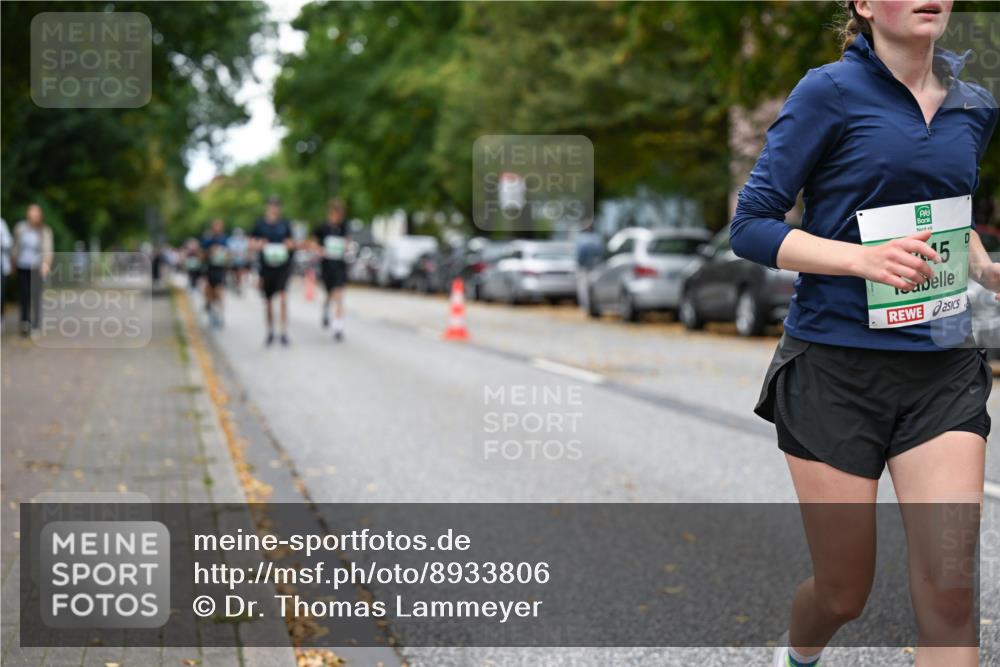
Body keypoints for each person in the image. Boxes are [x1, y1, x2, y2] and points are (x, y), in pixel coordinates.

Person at [730, 3, 999, 666]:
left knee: (950, 589)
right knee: (844, 592)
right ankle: (798, 653)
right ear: (865, 4)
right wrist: (860, 259)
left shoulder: (974, 104)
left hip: (941, 370)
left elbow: (941, 205)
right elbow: (752, 225)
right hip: (835, 371)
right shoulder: (829, 93)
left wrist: (987, 268)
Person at [250, 195, 295, 346]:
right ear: (267, 207)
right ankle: (270, 331)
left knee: (283, 298)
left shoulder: (285, 224)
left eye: (277, 206)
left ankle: (284, 332)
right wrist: (259, 244)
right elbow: (252, 243)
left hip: (282, 266)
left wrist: (289, 245)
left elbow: (291, 243)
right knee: (268, 301)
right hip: (266, 267)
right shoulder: (260, 224)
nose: (274, 208)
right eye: (272, 205)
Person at [12, 204, 53, 337]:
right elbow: (15, 247)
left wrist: (46, 264)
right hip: (22, 266)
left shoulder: (44, 231)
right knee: (24, 295)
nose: (34, 216)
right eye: (31, 213)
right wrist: (12, 263)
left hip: (37, 267)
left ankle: (36, 323)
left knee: (36, 295)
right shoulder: (20, 228)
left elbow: (48, 250)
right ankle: (25, 322)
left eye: (36, 213)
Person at [312, 198, 350, 341]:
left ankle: (338, 327)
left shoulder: (343, 227)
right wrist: (319, 250)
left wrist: (347, 246)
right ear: (331, 213)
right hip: (327, 266)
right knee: (329, 294)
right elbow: (313, 243)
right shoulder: (322, 228)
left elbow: (347, 242)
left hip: (339, 266)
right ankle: (326, 309)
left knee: (339, 295)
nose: (339, 217)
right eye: (337, 213)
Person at [201, 219, 229, 328]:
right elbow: (202, 256)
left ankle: (220, 314)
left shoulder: (224, 240)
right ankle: (212, 311)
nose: (217, 229)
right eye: (215, 227)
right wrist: (209, 251)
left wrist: (226, 255)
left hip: (221, 269)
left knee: (219, 291)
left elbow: (229, 255)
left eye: (219, 227)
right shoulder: (207, 241)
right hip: (210, 269)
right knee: (211, 293)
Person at [227, 226, 249, 295]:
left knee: (240, 272)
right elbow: (229, 250)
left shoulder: (244, 241)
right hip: (233, 260)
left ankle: (238, 284)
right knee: (233, 273)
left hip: (241, 260)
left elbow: (245, 251)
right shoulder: (231, 240)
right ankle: (234, 282)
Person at [0, 217, 12, 328]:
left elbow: (8, 242)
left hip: (1, 267)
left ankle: (1, 316)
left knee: (1, 294)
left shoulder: (1, 223)